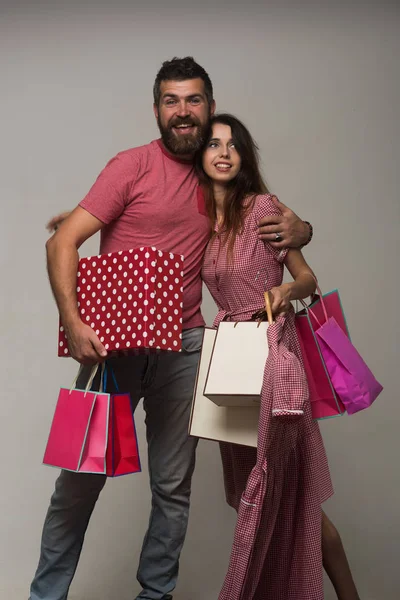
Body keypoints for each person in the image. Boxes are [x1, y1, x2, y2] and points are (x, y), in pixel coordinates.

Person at [32, 58, 312, 600]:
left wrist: (304, 229)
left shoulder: (219, 179)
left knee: (172, 486)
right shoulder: (131, 165)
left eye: (193, 100)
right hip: (115, 347)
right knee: (79, 480)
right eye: (171, 100)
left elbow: (267, 221)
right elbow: (60, 243)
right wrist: (74, 321)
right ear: (157, 109)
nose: (183, 111)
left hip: (186, 348)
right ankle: (46, 596)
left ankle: (155, 594)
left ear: (209, 106)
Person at [197, 113, 360, 600]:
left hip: (273, 352)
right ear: (200, 156)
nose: (223, 152)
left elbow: (308, 276)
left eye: (233, 145)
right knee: (256, 497)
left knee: (296, 497)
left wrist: (289, 289)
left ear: (244, 156)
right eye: (213, 144)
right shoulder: (196, 220)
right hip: (229, 357)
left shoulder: (264, 208)